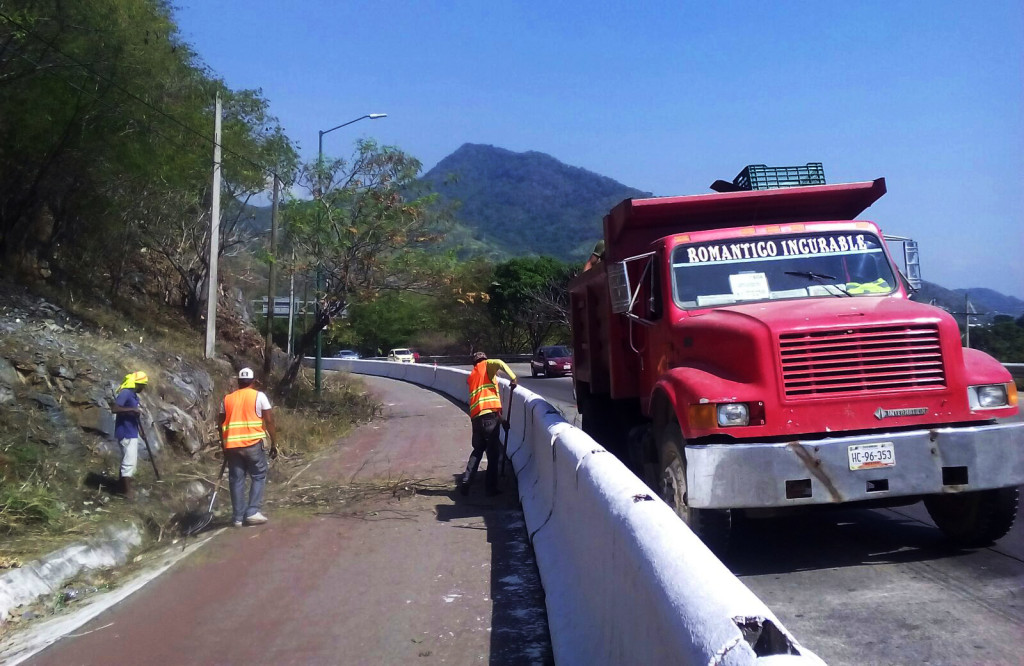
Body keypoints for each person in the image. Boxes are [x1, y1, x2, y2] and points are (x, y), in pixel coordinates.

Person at [219, 367, 278, 527]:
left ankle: (237, 517)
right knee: (258, 476)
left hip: (232, 446)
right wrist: (274, 442)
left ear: (238, 382)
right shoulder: (259, 396)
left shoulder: (227, 399)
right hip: (253, 444)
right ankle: (252, 512)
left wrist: (224, 444)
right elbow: (270, 420)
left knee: (236, 480)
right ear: (253, 382)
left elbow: (220, 422)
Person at [460, 351, 517, 496]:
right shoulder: (487, 366)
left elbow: (484, 401)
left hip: (476, 418)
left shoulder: (472, 376)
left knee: (478, 450)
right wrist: (513, 377)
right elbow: (499, 362)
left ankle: (467, 480)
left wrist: (502, 420)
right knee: (493, 453)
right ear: (484, 359)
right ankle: (491, 488)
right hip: (489, 418)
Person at [110, 371, 149, 500]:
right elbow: (115, 408)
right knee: (129, 463)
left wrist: (140, 431)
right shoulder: (126, 392)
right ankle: (128, 493)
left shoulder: (133, 395)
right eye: (142, 385)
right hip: (125, 431)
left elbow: (132, 415)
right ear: (137, 384)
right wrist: (132, 409)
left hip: (131, 430)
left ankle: (120, 487)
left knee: (128, 461)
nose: (143, 388)